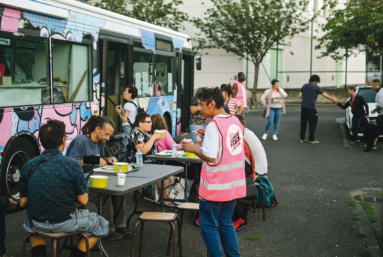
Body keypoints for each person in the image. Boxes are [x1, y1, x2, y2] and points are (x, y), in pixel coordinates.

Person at [19, 120, 109, 257]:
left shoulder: (28, 165)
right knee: (101, 223)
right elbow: (84, 200)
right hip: (66, 221)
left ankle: (40, 254)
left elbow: (22, 203)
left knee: (30, 224)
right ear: (62, 141)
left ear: (41, 142)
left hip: (37, 223)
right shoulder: (72, 165)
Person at [181, 87, 246, 257]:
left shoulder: (213, 125)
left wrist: (192, 147)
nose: (200, 109)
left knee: (209, 227)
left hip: (215, 188)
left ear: (212, 103)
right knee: (225, 223)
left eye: (202, 105)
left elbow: (210, 156)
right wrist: (207, 138)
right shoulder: (235, 121)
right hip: (233, 186)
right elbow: (228, 148)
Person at [66, 116, 130, 241]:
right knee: (105, 193)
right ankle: (108, 229)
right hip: (78, 184)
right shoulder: (80, 140)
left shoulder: (100, 143)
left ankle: (120, 225)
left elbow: (98, 161)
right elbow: (70, 162)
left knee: (118, 189)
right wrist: (93, 160)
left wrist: (107, 160)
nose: (108, 138)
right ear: (97, 129)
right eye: (106, 134)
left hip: (93, 179)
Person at [128, 113, 174, 206]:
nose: (151, 124)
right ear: (140, 123)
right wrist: (153, 137)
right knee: (164, 171)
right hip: (139, 165)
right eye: (148, 122)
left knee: (167, 168)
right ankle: (163, 199)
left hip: (150, 162)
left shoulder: (144, 133)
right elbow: (143, 151)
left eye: (151, 122)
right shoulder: (136, 133)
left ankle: (162, 198)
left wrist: (155, 140)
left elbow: (150, 148)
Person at [299, 74, 336, 144]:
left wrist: (305, 100)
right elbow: (324, 94)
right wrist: (332, 99)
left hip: (303, 107)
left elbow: (300, 95)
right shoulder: (315, 86)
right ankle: (311, 139)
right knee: (313, 123)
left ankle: (302, 138)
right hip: (311, 108)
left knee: (303, 123)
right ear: (316, 81)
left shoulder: (304, 85)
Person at [370, 79, 383, 149]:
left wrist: (374, 110)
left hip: (382, 115)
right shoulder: (379, 92)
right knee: (376, 130)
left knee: (376, 129)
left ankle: (373, 144)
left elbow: (381, 105)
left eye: (372, 85)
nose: (372, 87)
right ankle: (373, 144)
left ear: (376, 85)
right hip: (380, 115)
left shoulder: (381, 93)